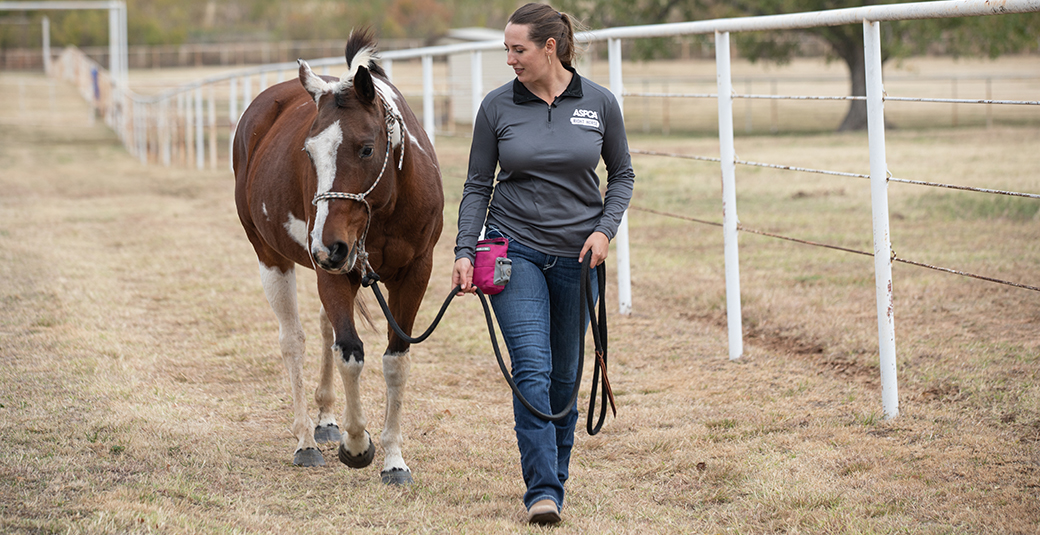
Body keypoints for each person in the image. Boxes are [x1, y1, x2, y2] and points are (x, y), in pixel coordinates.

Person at [451, 2, 635, 525]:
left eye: (518, 49)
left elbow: (621, 174)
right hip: (515, 252)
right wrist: (466, 249)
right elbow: (476, 185)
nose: (510, 59)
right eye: (506, 49)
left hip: (580, 260)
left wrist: (605, 230)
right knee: (531, 369)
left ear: (549, 47)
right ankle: (543, 491)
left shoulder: (599, 102)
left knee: (564, 377)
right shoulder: (497, 107)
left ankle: (555, 472)